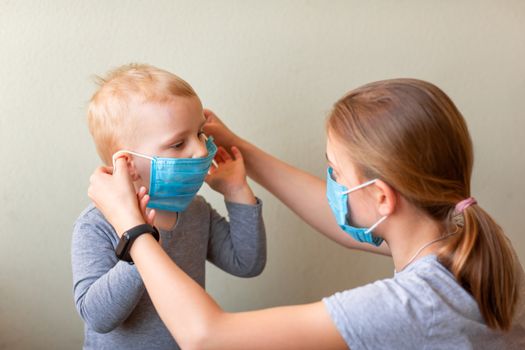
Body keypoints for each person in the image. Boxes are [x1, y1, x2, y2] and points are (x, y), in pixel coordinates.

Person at [88, 78, 525, 349]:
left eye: (335, 172)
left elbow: (206, 337)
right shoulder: (468, 241)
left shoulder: (410, 305)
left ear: (382, 198)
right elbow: (339, 213)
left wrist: (134, 229)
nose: (331, 184)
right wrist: (240, 148)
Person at [72, 64, 266, 350]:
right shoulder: (96, 225)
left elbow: (246, 263)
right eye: (178, 143)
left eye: (200, 133)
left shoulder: (194, 210)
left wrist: (237, 191)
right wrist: (138, 245)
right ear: (128, 165)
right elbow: (97, 317)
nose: (201, 150)